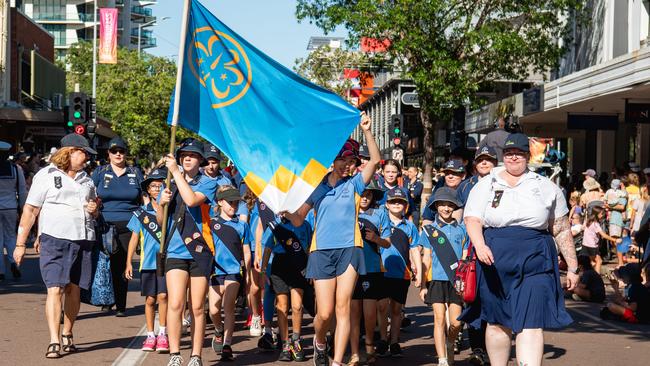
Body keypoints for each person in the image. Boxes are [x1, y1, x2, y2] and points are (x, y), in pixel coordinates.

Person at [460, 132, 578, 366]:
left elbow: (561, 228)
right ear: (504, 156)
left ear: (527, 156)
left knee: (531, 323)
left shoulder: (545, 186)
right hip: (494, 259)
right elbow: (472, 219)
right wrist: (480, 245)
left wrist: (573, 266)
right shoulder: (486, 184)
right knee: (496, 321)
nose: (514, 158)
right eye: (509, 153)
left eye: (519, 154)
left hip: (536, 258)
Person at [283, 112, 380, 366]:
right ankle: (320, 341)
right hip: (321, 251)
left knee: (343, 306)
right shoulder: (317, 187)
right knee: (324, 313)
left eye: (352, 162)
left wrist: (367, 130)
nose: (348, 166)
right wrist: (285, 209)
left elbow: (376, 160)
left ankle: (337, 361)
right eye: (344, 160)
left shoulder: (356, 184)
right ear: (334, 160)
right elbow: (297, 219)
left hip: (350, 248)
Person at [13, 134, 98, 359]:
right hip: (54, 238)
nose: (87, 158)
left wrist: (94, 209)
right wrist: (21, 244)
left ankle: (68, 333)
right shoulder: (45, 176)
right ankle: (54, 339)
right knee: (55, 288)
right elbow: (31, 210)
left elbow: (95, 208)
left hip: (83, 238)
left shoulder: (87, 180)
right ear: (70, 151)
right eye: (84, 153)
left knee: (73, 289)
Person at [158, 138, 218, 366]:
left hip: (199, 249)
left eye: (192, 155)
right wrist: (162, 204)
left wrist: (175, 172)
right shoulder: (169, 183)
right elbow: (162, 222)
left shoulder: (207, 182)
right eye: (183, 155)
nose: (187, 158)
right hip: (175, 249)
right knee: (175, 304)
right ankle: (175, 353)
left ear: (200, 159)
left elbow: (192, 201)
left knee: (196, 307)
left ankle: (196, 355)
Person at [91, 137, 143, 316]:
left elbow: (143, 198)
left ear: (126, 153)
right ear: (109, 154)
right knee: (105, 264)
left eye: (121, 151)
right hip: (105, 224)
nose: (118, 154)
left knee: (122, 264)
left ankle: (121, 304)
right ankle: (107, 298)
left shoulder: (135, 173)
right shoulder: (100, 172)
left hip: (129, 224)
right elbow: (91, 196)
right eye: (114, 151)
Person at [420, 187, 468, 366]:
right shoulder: (428, 230)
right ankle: (441, 359)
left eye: (450, 205)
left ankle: (450, 342)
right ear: (436, 206)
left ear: (455, 206)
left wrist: (465, 282)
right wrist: (423, 284)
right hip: (436, 280)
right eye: (442, 205)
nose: (446, 209)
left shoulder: (462, 230)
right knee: (439, 319)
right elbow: (426, 257)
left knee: (456, 323)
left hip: (456, 281)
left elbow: (465, 258)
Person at [124, 167, 169, 353]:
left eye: (161, 185)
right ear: (148, 190)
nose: (157, 189)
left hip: (167, 261)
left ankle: (163, 334)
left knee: (164, 297)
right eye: (153, 186)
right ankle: (150, 335)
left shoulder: (170, 211)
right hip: (148, 262)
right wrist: (128, 262)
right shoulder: (140, 213)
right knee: (150, 299)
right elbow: (134, 238)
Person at [207, 185, 252, 361]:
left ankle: (227, 344)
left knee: (229, 307)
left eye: (235, 202)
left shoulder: (242, 226)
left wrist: (247, 273)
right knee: (213, 310)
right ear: (220, 202)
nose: (233, 205)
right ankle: (218, 329)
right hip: (215, 272)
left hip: (234, 271)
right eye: (229, 202)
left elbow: (246, 250)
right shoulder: (211, 223)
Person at [349, 180, 391, 366]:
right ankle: (354, 353)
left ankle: (370, 349)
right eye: (361, 194)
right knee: (352, 312)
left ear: (373, 196)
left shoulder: (380, 213)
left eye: (368, 195)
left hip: (372, 268)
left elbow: (388, 242)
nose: (364, 198)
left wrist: (376, 238)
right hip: (350, 268)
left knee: (369, 313)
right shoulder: (347, 211)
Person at [376, 187, 422, 358]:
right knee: (381, 307)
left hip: (401, 273)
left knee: (396, 310)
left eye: (400, 202)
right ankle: (382, 339)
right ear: (386, 204)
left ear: (405, 206)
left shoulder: (409, 226)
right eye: (393, 201)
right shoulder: (380, 222)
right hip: (381, 272)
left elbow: (415, 249)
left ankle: (394, 342)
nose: (397, 204)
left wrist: (419, 273)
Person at [260, 214, 312, 362]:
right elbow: (268, 248)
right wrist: (264, 270)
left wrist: (310, 267)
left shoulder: (304, 224)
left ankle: (296, 340)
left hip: (298, 265)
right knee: (282, 307)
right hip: (279, 266)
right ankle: (285, 344)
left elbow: (308, 248)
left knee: (297, 306)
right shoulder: (274, 225)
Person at [0, 140, 27, 281]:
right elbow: (22, 191)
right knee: (10, 236)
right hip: (10, 207)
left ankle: (1, 270)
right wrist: (23, 209)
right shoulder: (16, 169)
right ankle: (14, 263)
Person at [422, 160, 467, 225]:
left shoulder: (468, 193)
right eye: (447, 173)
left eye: (454, 173)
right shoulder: (436, 196)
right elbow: (427, 220)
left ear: (463, 176)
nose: (450, 176)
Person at [582, 205, 621, 274]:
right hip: (592, 246)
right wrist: (615, 240)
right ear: (597, 214)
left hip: (585, 244)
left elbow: (583, 228)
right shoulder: (596, 224)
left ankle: (589, 276)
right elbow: (603, 235)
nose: (603, 215)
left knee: (592, 262)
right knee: (599, 261)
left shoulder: (588, 221)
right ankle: (597, 278)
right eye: (601, 214)